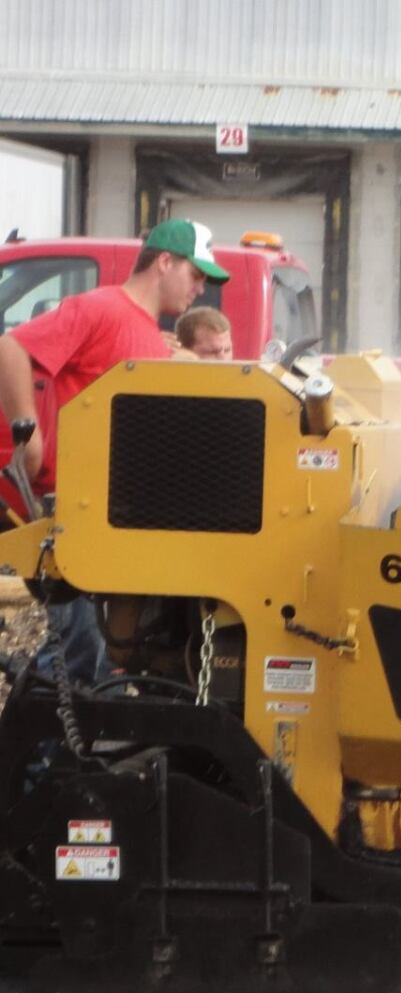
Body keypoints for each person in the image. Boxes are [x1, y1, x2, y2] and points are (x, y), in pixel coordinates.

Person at [0, 218, 229, 680]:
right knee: (81, 650)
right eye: (196, 274)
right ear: (164, 262)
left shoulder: (148, 334)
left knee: (107, 651)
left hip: (107, 516)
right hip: (65, 510)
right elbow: (10, 348)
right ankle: (36, 752)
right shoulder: (101, 308)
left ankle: (63, 745)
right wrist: (31, 441)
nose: (201, 289)